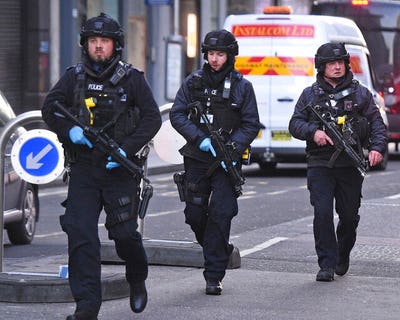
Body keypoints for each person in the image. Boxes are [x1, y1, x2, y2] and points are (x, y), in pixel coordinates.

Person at [41, 13, 161, 320]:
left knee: (124, 236)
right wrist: (70, 132)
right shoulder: (74, 77)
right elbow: (50, 108)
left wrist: (125, 148)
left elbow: (152, 118)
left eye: (104, 42)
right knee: (80, 234)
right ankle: (87, 307)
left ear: (115, 45)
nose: (98, 47)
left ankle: (136, 277)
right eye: (93, 41)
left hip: (119, 169)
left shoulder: (132, 79)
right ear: (86, 44)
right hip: (84, 170)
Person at [170, 29, 260, 295]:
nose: (215, 59)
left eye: (220, 54)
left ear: (230, 56)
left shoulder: (242, 87)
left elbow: (250, 123)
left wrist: (232, 147)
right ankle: (220, 250)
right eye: (211, 54)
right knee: (194, 214)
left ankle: (213, 275)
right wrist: (200, 139)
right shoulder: (193, 82)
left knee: (221, 214)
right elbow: (178, 114)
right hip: (197, 158)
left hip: (227, 163)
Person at [289, 42, 387, 282]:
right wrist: (313, 132)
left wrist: (377, 148)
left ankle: (342, 255)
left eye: (340, 63)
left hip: (349, 166)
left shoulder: (360, 93)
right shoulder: (310, 94)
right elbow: (294, 124)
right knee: (322, 213)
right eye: (331, 64)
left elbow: (377, 123)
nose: (336, 67)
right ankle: (326, 264)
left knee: (349, 217)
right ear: (321, 67)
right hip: (320, 164)